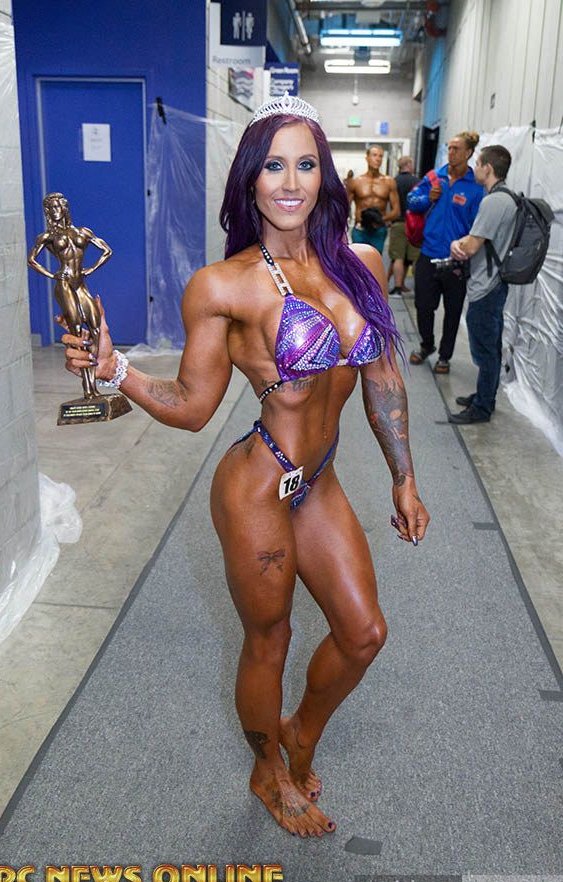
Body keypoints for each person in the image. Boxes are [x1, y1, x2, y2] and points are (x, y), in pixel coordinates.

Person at [61, 94, 430, 839]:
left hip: (318, 480)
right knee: (271, 640)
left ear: (325, 176)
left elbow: (383, 375)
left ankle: (299, 733)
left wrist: (403, 476)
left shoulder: (359, 264)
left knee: (364, 634)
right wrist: (116, 371)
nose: (290, 182)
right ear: (250, 179)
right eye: (273, 166)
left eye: (306, 165)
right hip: (257, 486)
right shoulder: (223, 285)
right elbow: (192, 406)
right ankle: (268, 772)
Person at [447, 145, 516, 424]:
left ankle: (482, 408)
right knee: (491, 347)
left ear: (488, 168)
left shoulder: (494, 202)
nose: (474, 168)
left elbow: (472, 246)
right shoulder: (506, 198)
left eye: (478, 164)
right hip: (495, 283)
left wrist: (456, 244)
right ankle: (485, 396)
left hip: (486, 287)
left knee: (485, 351)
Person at [407, 132, 484, 374]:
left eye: (456, 149)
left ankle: (444, 356)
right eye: (449, 148)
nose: (451, 153)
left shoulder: (476, 187)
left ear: (468, 153)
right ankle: (427, 344)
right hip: (428, 254)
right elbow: (411, 201)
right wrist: (426, 199)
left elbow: (478, 225)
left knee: (452, 311)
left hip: (456, 261)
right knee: (423, 305)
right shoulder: (434, 177)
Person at [28, 192, 112, 400]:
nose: (55, 211)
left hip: (80, 283)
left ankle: (95, 382)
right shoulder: (47, 237)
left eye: (58, 206)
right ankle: (88, 388)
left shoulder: (82, 232)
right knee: (76, 330)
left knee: (95, 327)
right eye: (51, 208)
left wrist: (91, 269)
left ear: (64, 208)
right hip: (64, 283)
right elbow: (32, 260)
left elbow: (107, 251)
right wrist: (52, 275)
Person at [347, 145, 400, 254]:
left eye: (380, 156)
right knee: (358, 262)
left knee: (376, 262)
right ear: (367, 158)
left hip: (379, 230)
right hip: (360, 229)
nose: (378, 159)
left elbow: (396, 211)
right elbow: (344, 208)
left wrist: (379, 220)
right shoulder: (356, 182)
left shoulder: (389, 182)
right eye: (374, 155)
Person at [387, 156, 419, 296]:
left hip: (398, 222)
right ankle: (419, 287)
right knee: (415, 257)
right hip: (414, 225)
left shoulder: (393, 181)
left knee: (398, 256)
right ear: (409, 164)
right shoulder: (417, 182)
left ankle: (398, 287)